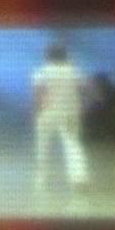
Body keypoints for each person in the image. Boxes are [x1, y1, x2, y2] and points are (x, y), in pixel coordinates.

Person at [31, 42, 90, 196]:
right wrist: (82, 107)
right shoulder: (75, 71)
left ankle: (41, 178)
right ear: (65, 55)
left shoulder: (42, 72)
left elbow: (38, 94)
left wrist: (37, 111)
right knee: (73, 145)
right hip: (70, 112)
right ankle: (79, 177)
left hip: (48, 113)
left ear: (47, 56)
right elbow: (84, 90)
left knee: (43, 146)